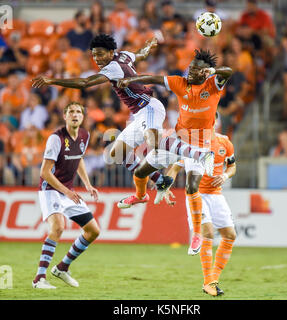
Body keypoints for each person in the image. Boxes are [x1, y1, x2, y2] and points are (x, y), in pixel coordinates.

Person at [32, 34, 213, 202]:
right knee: (116, 153)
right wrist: (148, 46)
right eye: (94, 55)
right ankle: (160, 180)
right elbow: (140, 54)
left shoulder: (113, 68)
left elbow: (85, 83)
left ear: (111, 53)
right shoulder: (124, 55)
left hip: (148, 107)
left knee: (154, 141)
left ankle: (201, 155)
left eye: (101, 54)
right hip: (140, 113)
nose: (97, 59)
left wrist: (52, 81)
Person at [116, 49, 232, 254]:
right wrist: (130, 79)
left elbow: (229, 71)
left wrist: (212, 71)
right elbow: (154, 78)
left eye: (197, 68)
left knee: (191, 187)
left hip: (201, 144)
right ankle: (140, 195)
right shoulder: (180, 83)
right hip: (178, 141)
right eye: (191, 67)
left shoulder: (212, 85)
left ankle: (196, 235)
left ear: (205, 72)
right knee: (140, 172)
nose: (191, 71)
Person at [165, 116, 237, 296]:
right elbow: (174, 168)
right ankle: (208, 282)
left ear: (215, 123)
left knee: (230, 235)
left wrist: (226, 176)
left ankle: (213, 279)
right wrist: (165, 188)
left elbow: (232, 166)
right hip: (197, 196)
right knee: (208, 233)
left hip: (216, 195)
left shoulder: (224, 142)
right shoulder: (192, 145)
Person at [32, 102, 100, 289]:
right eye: (71, 112)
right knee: (58, 227)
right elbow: (45, 172)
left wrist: (87, 184)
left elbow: (78, 160)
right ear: (65, 116)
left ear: (83, 117)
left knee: (93, 230)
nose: (75, 115)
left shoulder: (84, 135)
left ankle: (62, 268)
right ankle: (39, 279)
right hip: (50, 190)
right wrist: (67, 192)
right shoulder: (56, 138)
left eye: (79, 112)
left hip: (67, 191)